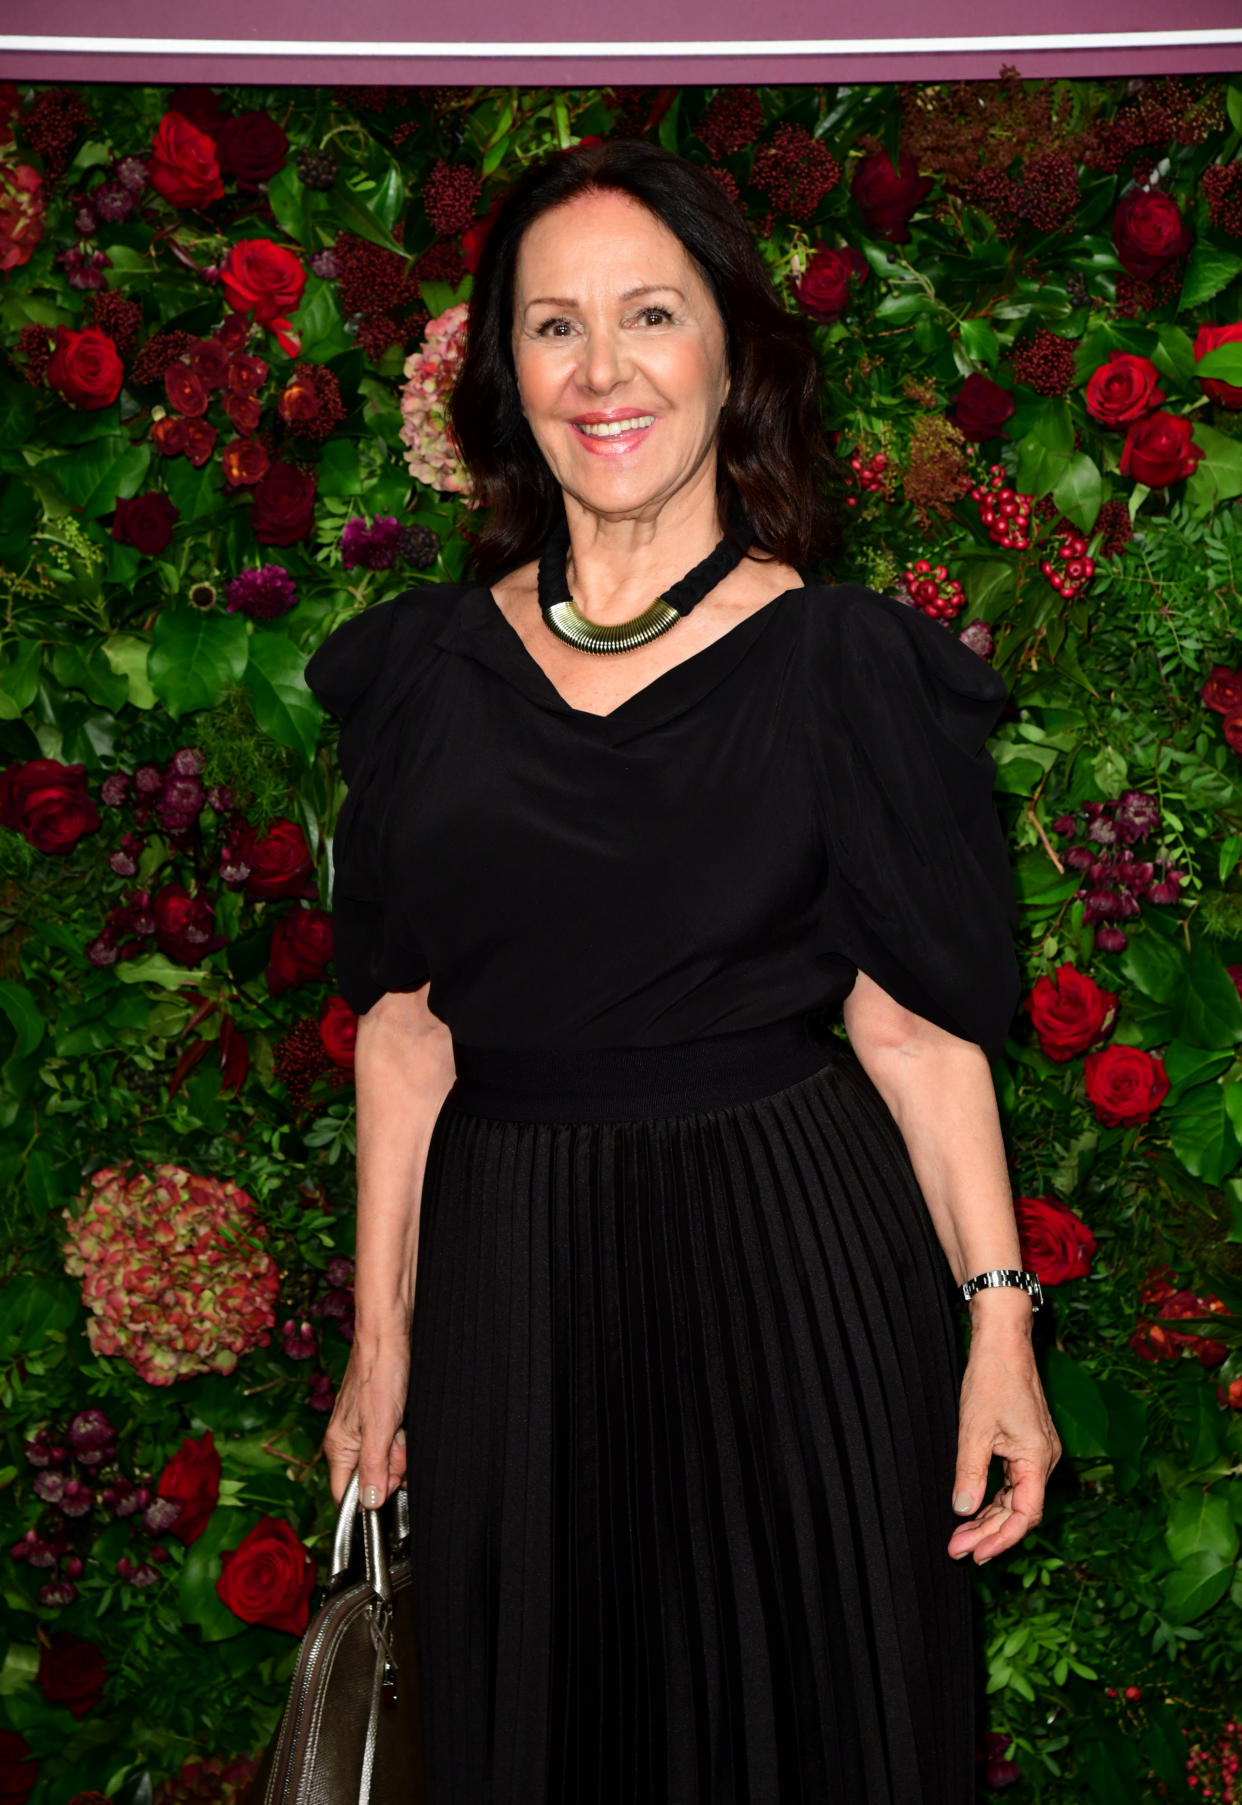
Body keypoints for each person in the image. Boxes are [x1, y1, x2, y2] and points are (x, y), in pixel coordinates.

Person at [305, 137, 1061, 1805]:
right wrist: (382, 1339)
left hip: (792, 1283)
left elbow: (913, 1033)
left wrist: (997, 1326)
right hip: (520, 1298)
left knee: (815, 1733)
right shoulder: (427, 676)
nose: (602, 370)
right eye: (550, 324)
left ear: (730, 353)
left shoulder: (838, 662)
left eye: (647, 314)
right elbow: (407, 1033)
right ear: (503, 369)